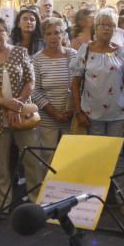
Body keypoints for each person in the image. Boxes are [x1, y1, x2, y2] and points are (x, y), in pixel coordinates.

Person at [0, 16, 41, 210]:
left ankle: (36, 200)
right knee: (0, 165)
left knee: (31, 159)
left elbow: (30, 81)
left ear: (7, 33)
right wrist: (5, 103)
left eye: (0, 30)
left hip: (22, 115)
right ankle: (3, 203)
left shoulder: (20, 53)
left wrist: (18, 104)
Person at [70, 8, 124, 203]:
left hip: (118, 113)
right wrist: (78, 111)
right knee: (96, 158)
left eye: (111, 26)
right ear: (95, 28)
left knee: (117, 158)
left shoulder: (122, 52)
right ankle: (95, 200)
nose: (106, 29)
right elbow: (75, 83)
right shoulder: (85, 50)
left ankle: (122, 198)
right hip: (91, 114)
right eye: (103, 25)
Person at [31, 18, 77, 174]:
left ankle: (70, 189)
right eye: (48, 33)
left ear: (63, 35)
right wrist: (54, 113)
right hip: (48, 117)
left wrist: (71, 110)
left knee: (71, 155)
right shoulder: (37, 59)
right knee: (48, 156)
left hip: (71, 117)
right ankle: (49, 191)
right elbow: (34, 90)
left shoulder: (73, 55)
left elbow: (79, 84)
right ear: (43, 37)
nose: (53, 37)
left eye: (57, 33)